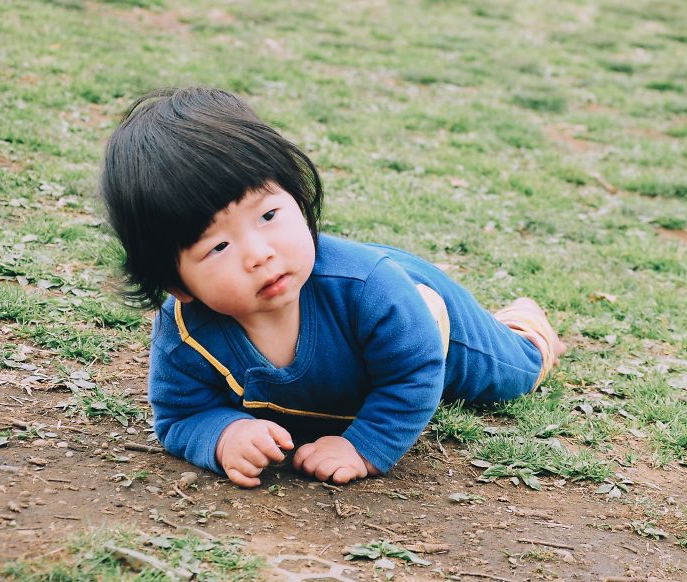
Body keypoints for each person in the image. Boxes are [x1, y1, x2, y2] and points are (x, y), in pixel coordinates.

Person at [99, 87, 566, 488]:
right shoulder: (184, 332)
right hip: (378, 327)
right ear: (176, 284)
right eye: (218, 246)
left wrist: (361, 447)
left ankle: (526, 328)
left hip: (426, 316)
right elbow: (181, 415)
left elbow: (416, 371)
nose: (258, 254)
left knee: (511, 376)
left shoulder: (370, 289)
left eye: (268, 216)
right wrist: (224, 435)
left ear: (297, 200)